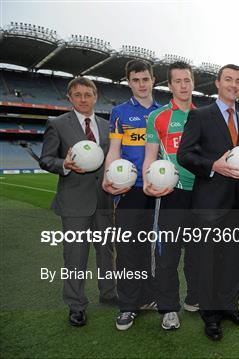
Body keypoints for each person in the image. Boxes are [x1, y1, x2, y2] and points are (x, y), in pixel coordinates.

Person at [177, 64, 239, 341]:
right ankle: (209, 315)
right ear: (218, 83)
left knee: (234, 259)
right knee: (207, 260)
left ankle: (230, 307)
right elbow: (184, 155)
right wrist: (213, 166)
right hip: (208, 202)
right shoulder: (200, 116)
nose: (234, 85)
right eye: (229, 80)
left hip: (238, 202)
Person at [39, 77, 116, 327]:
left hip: (103, 200)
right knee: (75, 255)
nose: (84, 99)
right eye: (78, 95)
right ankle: (76, 304)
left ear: (96, 96)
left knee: (107, 252)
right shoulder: (57, 124)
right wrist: (64, 165)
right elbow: (46, 159)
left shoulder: (106, 126)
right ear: (70, 98)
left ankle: (109, 294)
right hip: (74, 202)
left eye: (88, 94)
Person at [102, 60, 161, 330]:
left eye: (145, 79)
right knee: (128, 249)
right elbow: (114, 150)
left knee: (154, 248)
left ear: (153, 80)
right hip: (129, 190)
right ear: (129, 81)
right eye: (135, 80)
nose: (141, 84)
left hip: (161, 190)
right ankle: (128, 305)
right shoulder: (119, 112)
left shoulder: (164, 113)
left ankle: (148, 297)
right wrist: (107, 177)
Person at [142, 61, 199, 330]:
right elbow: (150, 157)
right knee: (168, 254)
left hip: (201, 194)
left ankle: (195, 297)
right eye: (178, 81)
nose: (183, 85)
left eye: (187, 80)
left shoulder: (207, 115)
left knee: (198, 251)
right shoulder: (158, 117)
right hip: (171, 193)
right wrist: (147, 183)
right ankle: (168, 308)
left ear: (193, 83)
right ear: (170, 85)